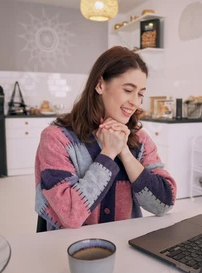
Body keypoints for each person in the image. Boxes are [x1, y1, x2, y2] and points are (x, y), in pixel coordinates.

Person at [34, 46, 177, 231]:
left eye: (141, 94)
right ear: (100, 85)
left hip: (124, 245)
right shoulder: (56, 139)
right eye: (128, 90)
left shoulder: (140, 139)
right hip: (70, 249)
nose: (135, 102)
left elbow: (163, 203)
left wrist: (124, 152)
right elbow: (70, 215)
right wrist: (108, 153)